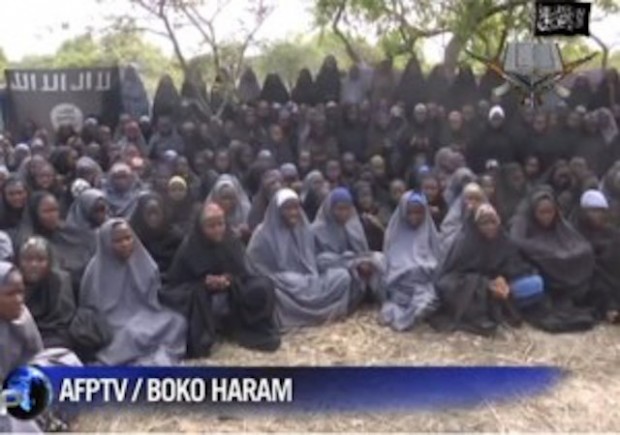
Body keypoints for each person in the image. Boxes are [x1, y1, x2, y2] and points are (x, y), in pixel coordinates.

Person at [162, 202, 280, 357]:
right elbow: (175, 284)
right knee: (194, 296)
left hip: (232, 292)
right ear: (201, 227)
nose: (217, 230)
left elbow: (243, 273)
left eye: (220, 224)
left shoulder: (231, 241)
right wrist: (204, 283)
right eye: (211, 226)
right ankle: (205, 336)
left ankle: (241, 327)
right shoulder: (189, 247)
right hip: (202, 296)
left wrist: (228, 279)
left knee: (263, 286)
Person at [72, 219, 186, 365]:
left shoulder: (143, 261)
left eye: (128, 238)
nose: (125, 244)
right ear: (107, 243)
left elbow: (153, 299)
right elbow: (91, 312)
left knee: (177, 321)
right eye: (118, 241)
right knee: (132, 333)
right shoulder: (95, 271)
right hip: (112, 324)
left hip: (146, 314)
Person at [246, 188, 353, 329]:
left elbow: (314, 258)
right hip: (284, 286)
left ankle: (326, 313)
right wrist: (283, 278)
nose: (293, 213)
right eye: (288, 209)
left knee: (342, 276)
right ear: (277, 211)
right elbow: (255, 268)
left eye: (296, 208)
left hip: (310, 280)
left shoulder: (305, 228)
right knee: (276, 288)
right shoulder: (263, 234)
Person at [510, 188, 595, 311]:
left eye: (550, 212)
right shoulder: (523, 222)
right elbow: (517, 242)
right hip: (537, 267)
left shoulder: (559, 223)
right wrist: (544, 251)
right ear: (534, 212)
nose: (546, 216)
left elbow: (577, 241)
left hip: (562, 260)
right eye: (542, 212)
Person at [312, 187, 386, 305]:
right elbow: (318, 261)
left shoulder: (354, 226)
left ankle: (383, 298)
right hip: (334, 270)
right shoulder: (317, 230)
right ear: (330, 209)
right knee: (340, 274)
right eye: (339, 209)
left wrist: (364, 261)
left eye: (347, 208)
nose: (344, 213)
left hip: (358, 268)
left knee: (379, 258)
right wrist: (351, 263)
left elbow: (363, 251)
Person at [381, 192, 439, 331]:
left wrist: (424, 267)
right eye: (410, 212)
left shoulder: (429, 232)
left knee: (428, 299)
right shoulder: (395, 232)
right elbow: (390, 260)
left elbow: (437, 257)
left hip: (423, 282)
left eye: (419, 213)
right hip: (400, 283)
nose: (414, 217)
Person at [19, 236, 76, 348]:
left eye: (40, 260)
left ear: (50, 262)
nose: (34, 265)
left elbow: (63, 322)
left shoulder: (59, 283)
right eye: (28, 259)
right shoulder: (13, 284)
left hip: (55, 339)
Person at [575, 190, 620, 322]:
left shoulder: (612, 233)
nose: (598, 215)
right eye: (593, 211)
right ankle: (610, 310)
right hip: (590, 280)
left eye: (601, 211)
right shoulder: (574, 233)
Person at [129, 192, 183, 280]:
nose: (153, 218)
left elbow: (180, 269)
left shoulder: (176, 237)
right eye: (149, 214)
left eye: (156, 213)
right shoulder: (133, 237)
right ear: (141, 215)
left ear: (163, 213)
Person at [206, 174, 251, 241]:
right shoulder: (209, 211)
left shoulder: (244, 209)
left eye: (230, 197)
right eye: (224, 198)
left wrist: (244, 231)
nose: (227, 202)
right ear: (216, 198)